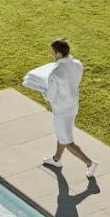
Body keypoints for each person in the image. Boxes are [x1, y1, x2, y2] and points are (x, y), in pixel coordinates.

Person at [42, 38, 98, 178]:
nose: (51, 54)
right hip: (73, 106)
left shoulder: (55, 72)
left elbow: (50, 96)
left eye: (53, 52)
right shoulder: (78, 64)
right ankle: (56, 159)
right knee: (63, 135)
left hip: (61, 110)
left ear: (58, 53)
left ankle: (90, 163)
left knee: (67, 141)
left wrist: (43, 89)